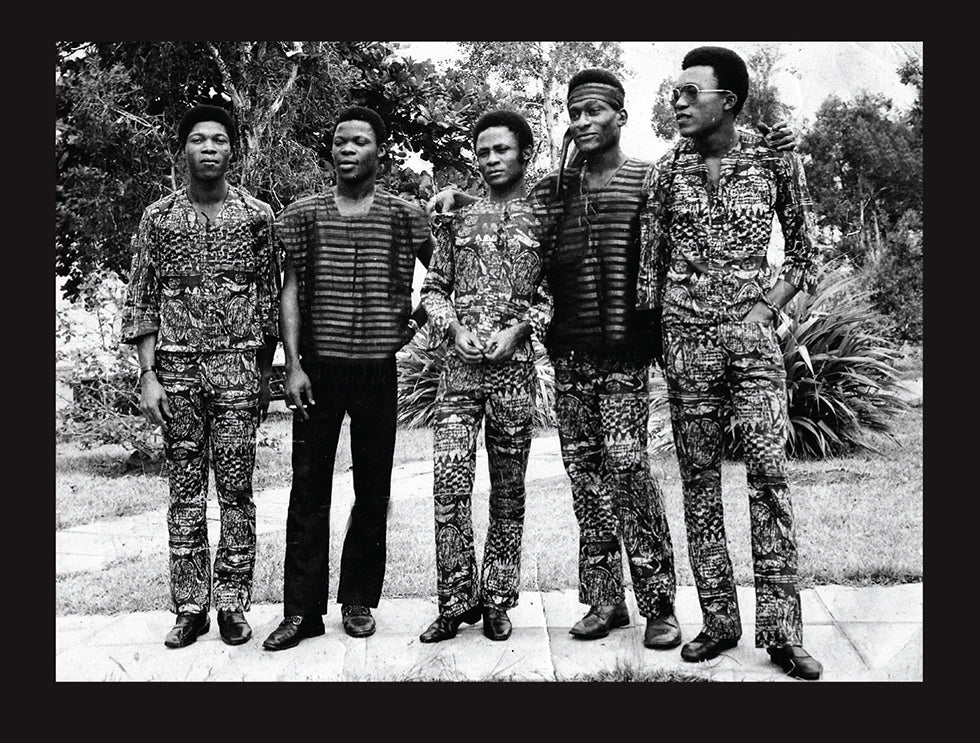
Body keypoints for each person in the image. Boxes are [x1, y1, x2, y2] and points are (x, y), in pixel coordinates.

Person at [428, 69, 799, 649]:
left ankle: (659, 604)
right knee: (585, 479)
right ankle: (605, 601)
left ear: (620, 117)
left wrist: (771, 142)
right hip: (570, 355)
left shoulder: (652, 178)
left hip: (626, 356)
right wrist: (460, 198)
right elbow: (505, 208)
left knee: (629, 472)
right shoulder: (553, 190)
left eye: (594, 111)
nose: (583, 122)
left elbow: (707, 195)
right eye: (574, 113)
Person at [636, 46, 823, 679]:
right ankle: (718, 621)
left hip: (752, 346)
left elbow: (804, 255)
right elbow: (649, 267)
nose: (678, 103)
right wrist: (659, 337)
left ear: (729, 102)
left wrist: (765, 310)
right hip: (686, 344)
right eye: (676, 92)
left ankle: (783, 632)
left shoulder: (774, 161)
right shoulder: (666, 171)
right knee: (698, 482)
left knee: (769, 477)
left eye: (691, 92)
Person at [262, 106, 433, 650]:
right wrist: (293, 364)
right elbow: (290, 290)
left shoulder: (405, 216)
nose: (348, 149)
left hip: (377, 369)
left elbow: (445, 272)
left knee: (373, 489)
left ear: (380, 151)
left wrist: (414, 323)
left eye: (359, 141)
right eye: (340, 142)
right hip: (317, 370)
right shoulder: (304, 214)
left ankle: (358, 599)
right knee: (308, 490)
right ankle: (301, 612)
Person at [120, 104, 280, 649]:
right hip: (177, 375)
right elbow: (142, 298)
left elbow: (267, 300)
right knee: (184, 492)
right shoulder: (158, 218)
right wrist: (148, 375)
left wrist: (263, 375)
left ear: (233, 150)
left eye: (218, 139)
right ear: (183, 149)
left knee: (236, 491)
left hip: (237, 371)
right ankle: (190, 608)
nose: (208, 148)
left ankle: (233, 604)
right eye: (197, 139)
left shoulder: (257, 217)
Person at [417, 110, 552, 643]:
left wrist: (521, 329)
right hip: (458, 375)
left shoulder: (544, 218)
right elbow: (434, 290)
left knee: (509, 491)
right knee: (448, 486)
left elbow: (555, 295)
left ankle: (497, 599)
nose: (491, 160)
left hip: (514, 375)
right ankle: (454, 602)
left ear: (524, 154)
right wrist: (452, 329)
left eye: (502, 150)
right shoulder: (457, 219)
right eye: (483, 152)